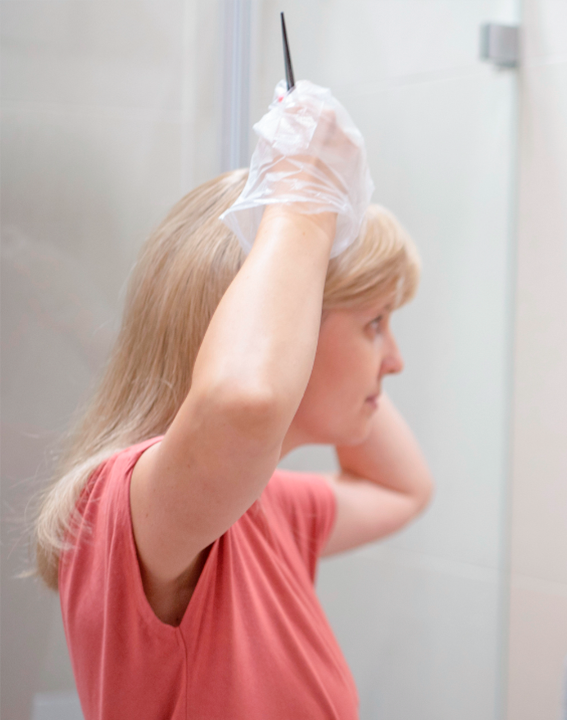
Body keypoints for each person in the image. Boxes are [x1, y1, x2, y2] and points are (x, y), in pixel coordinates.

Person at [31, 81, 431, 718]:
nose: (396, 360)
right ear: (284, 327)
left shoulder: (262, 509)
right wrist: (305, 196)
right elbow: (245, 399)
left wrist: (320, 226)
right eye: (374, 324)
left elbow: (404, 489)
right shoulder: (130, 506)